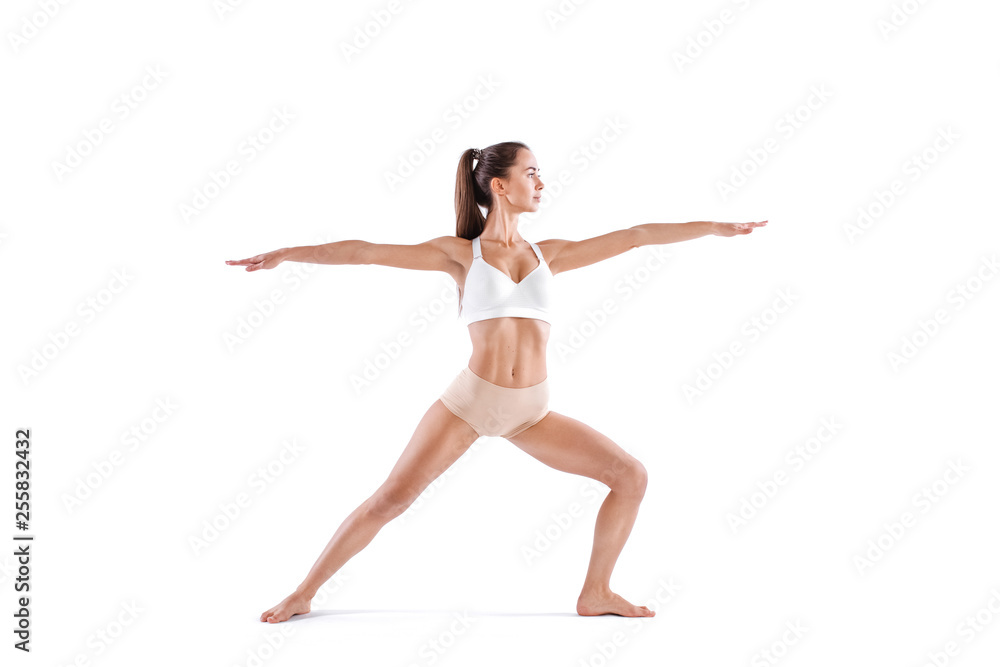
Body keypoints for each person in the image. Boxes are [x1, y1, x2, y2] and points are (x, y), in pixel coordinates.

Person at [226, 141, 767, 623]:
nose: (542, 182)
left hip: (532, 412)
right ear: (499, 185)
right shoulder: (459, 255)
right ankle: (303, 593)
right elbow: (364, 250)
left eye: (540, 173)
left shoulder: (548, 254)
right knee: (390, 500)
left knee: (630, 475)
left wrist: (715, 228)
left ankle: (596, 591)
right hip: (469, 403)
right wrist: (285, 254)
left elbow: (637, 236)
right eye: (532, 173)